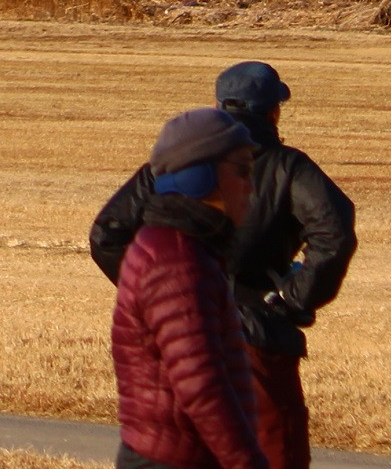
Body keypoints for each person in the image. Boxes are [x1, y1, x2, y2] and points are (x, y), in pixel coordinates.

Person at [90, 63, 355, 469]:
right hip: (261, 339)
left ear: (217, 104)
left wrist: (153, 295)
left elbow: (107, 234)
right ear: (273, 113)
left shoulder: (179, 163)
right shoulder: (288, 166)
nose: (246, 186)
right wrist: (288, 299)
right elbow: (334, 233)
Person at [108, 106, 271, 469]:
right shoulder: (175, 261)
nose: (251, 186)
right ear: (199, 177)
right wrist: (247, 463)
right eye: (242, 170)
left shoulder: (185, 247)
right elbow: (201, 384)